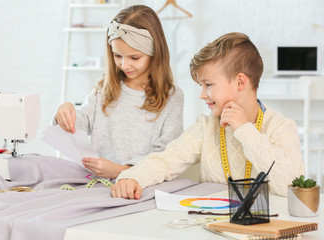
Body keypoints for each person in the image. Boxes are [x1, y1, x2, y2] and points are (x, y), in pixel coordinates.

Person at [111, 32, 304, 199]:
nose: (202, 94)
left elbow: (290, 186)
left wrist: (245, 131)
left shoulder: (281, 127)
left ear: (240, 82)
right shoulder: (207, 126)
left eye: (209, 85)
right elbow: (166, 160)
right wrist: (132, 177)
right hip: (212, 223)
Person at [54, 5, 184, 179]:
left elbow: (165, 156)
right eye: (117, 56)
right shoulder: (105, 88)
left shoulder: (171, 97)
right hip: (98, 185)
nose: (124, 65)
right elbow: (78, 126)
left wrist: (120, 171)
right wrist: (65, 114)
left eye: (134, 57)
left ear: (155, 53)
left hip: (141, 185)